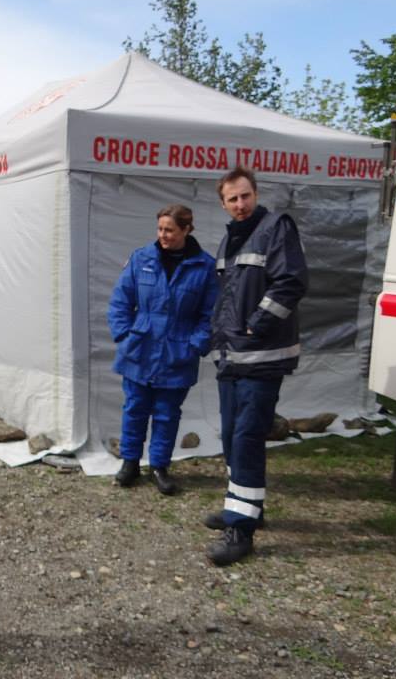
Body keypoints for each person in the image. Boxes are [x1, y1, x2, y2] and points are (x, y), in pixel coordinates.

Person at [205, 166, 308, 566]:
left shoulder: (275, 227)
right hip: (232, 358)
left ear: (255, 193)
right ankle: (246, 507)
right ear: (224, 204)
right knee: (232, 435)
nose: (240, 204)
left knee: (247, 436)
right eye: (232, 199)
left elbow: (291, 282)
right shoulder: (229, 241)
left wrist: (256, 325)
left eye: (245, 195)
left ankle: (241, 530)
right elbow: (226, 299)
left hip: (262, 358)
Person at [107, 204, 218, 494]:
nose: (163, 235)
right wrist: (124, 336)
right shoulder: (141, 258)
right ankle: (129, 463)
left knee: (167, 413)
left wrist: (195, 346)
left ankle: (159, 467)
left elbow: (211, 315)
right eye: (160, 229)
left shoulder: (204, 267)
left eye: (170, 230)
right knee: (134, 408)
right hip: (139, 350)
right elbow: (120, 301)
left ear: (186, 230)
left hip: (177, 353)